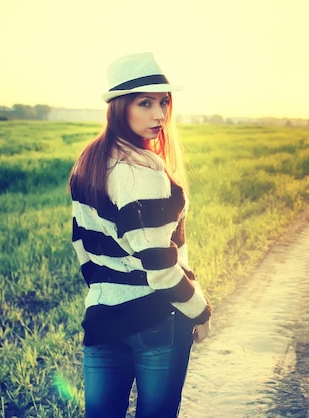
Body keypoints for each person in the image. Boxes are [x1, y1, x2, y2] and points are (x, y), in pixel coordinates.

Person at [68, 52, 211, 418]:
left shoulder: (89, 161)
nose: (160, 115)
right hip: (157, 318)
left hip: (102, 316)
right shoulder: (142, 173)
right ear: (118, 107)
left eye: (163, 102)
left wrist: (106, 289)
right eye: (145, 103)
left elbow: (82, 248)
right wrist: (199, 310)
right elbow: (160, 267)